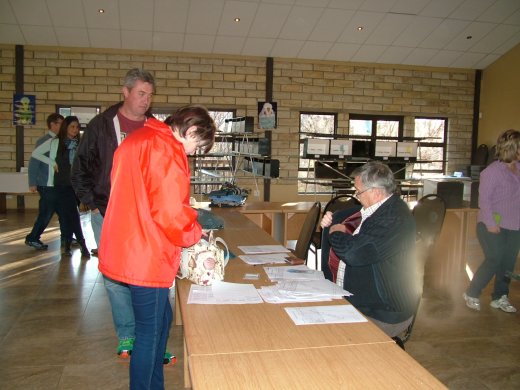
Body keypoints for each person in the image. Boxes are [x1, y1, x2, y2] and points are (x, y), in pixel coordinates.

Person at [98, 105, 216, 389]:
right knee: (149, 334)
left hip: (125, 243)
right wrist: (195, 233)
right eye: (197, 146)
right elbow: (171, 214)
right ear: (190, 131)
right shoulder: (166, 149)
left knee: (162, 320)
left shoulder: (137, 139)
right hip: (145, 253)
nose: (192, 153)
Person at [71, 68, 174, 361]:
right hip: (109, 213)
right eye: (141, 93)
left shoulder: (156, 128)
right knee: (114, 277)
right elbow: (80, 169)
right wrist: (93, 203)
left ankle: (152, 338)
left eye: (150, 95)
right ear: (125, 92)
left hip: (147, 216)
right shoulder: (101, 126)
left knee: (151, 276)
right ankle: (127, 334)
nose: (146, 100)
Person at [320, 161, 419, 337]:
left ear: (376, 192)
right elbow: (350, 214)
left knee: (326, 334)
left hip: (384, 313)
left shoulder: (393, 219)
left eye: (359, 191)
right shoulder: (378, 209)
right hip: (361, 302)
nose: (356, 196)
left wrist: (336, 232)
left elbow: (354, 254)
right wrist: (332, 220)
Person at [463, 129, 520, 313]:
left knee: (508, 262)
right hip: (491, 224)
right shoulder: (492, 172)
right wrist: (491, 224)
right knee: (494, 259)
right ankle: (472, 292)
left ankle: (500, 297)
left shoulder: (519, 168)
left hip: (515, 224)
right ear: (512, 148)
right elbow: (484, 201)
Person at [50, 116, 89, 257]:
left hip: (76, 185)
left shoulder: (79, 143)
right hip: (61, 184)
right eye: (72, 126)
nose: (75, 129)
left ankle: (67, 244)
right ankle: (82, 243)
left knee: (68, 216)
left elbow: (84, 163)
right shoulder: (57, 142)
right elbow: (44, 156)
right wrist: (52, 163)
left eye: (77, 127)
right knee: (72, 214)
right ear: (66, 127)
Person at [26, 113, 65, 250]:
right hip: (45, 184)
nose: (63, 126)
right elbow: (34, 163)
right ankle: (32, 238)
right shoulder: (44, 140)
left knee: (63, 211)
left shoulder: (60, 140)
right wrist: (32, 182)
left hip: (56, 184)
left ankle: (67, 237)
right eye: (61, 123)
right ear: (53, 125)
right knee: (46, 213)